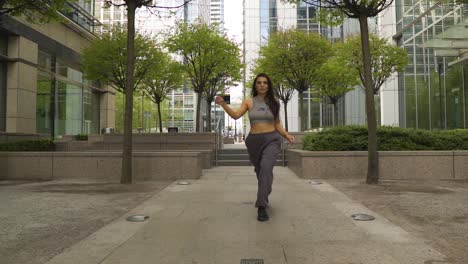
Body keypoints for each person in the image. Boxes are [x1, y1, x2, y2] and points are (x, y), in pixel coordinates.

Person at [215, 73, 295, 222]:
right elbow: (236, 115)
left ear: (269, 85)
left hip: (272, 139)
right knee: (261, 172)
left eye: (265, 82)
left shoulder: (275, 102)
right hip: (254, 141)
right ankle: (266, 190)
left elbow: (277, 123)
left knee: (265, 167)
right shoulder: (249, 102)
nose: (262, 85)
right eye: (259, 82)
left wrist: (286, 135)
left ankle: (261, 206)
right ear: (255, 85)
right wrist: (224, 104)